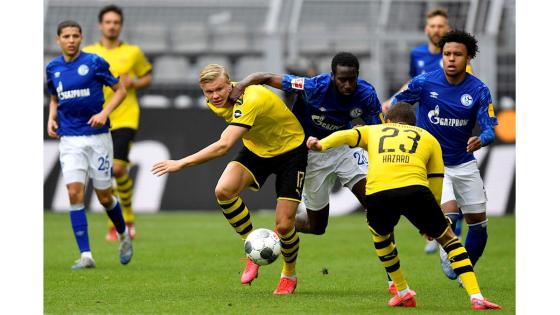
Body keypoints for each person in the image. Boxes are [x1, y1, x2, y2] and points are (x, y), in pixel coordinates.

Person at [307, 102, 501, 310]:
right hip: (415, 190)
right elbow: (435, 180)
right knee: (448, 239)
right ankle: (476, 296)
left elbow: (346, 135)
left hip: (378, 193)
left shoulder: (375, 130)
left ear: (388, 121)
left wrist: (321, 145)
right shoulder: (428, 138)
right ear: (414, 124)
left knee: (381, 237)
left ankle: (403, 292)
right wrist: (429, 221)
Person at [231, 52, 395, 294]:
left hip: (345, 150)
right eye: (342, 79)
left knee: (377, 205)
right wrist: (242, 85)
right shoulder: (314, 86)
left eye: (352, 79)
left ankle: (394, 279)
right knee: (317, 226)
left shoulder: (366, 94)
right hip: (311, 155)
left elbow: (380, 131)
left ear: (357, 76)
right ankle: (279, 232)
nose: (347, 85)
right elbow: (264, 76)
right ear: (332, 77)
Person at [151, 64, 307, 295]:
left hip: (291, 151)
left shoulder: (250, 99)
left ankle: (288, 274)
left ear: (230, 84)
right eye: (209, 92)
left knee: (284, 225)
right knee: (223, 190)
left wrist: (180, 163)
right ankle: (251, 249)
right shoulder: (216, 102)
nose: (215, 96)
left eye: (219, 89)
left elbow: (224, 145)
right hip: (258, 149)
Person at [391, 30, 498, 282]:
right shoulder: (425, 82)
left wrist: (482, 139)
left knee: (479, 227)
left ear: (468, 58)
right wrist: (401, 127)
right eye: (447, 53)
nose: (451, 59)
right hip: (433, 165)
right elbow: (397, 103)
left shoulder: (479, 90)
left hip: (464, 163)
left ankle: (464, 269)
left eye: (457, 54)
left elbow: (490, 129)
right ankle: (444, 245)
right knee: (447, 216)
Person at [46, 20, 133, 269]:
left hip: (98, 138)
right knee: (74, 193)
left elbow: (120, 90)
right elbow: (54, 96)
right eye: (66, 36)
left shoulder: (94, 62)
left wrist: (105, 113)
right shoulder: (53, 68)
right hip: (70, 138)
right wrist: (52, 116)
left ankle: (124, 236)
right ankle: (86, 255)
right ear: (58, 40)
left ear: (81, 38)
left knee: (104, 197)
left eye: (75, 36)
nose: (71, 40)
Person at [382, 8, 466, 254]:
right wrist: (393, 100)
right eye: (432, 26)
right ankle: (438, 227)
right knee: (426, 176)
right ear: (426, 29)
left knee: (451, 176)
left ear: (447, 29)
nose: (436, 30)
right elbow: (412, 83)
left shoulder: (453, 56)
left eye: (441, 26)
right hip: (424, 124)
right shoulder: (417, 54)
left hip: (452, 124)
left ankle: (448, 224)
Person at [83, 4, 153, 241]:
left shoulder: (133, 52)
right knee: (103, 172)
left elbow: (147, 76)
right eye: (108, 22)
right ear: (100, 25)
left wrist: (133, 81)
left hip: (125, 116)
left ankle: (128, 219)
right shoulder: (89, 52)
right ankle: (114, 225)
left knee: (118, 168)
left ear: (120, 26)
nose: (112, 26)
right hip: (97, 117)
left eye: (116, 22)